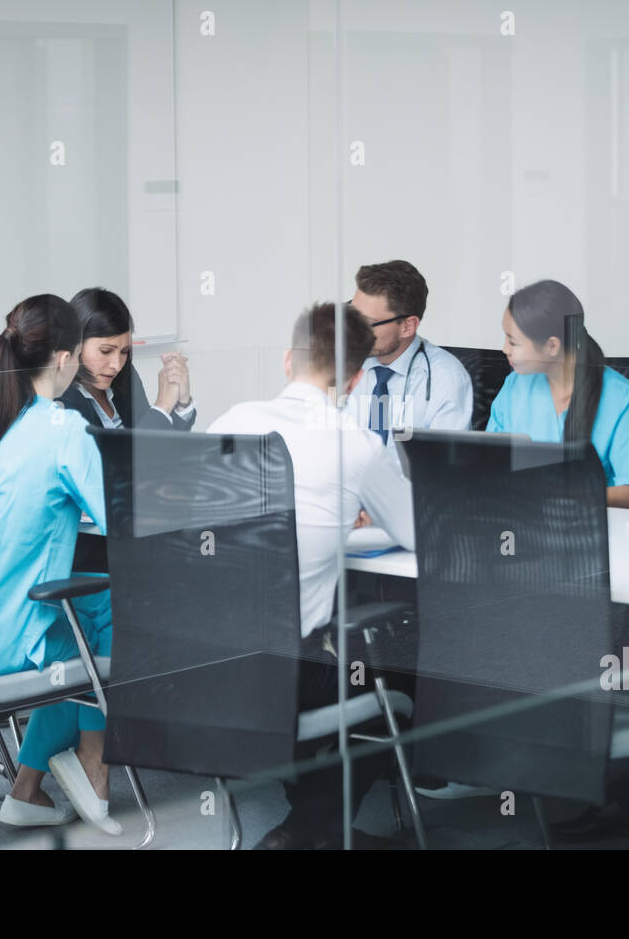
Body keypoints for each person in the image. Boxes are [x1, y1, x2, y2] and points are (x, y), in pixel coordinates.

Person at [208, 302, 415, 849]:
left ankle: (311, 823)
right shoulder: (356, 441)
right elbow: (420, 533)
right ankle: (315, 827)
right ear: (353, 379)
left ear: (286, 361)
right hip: (287, 678)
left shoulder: (228, 423)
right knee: (406, 662)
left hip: (204, 661)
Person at [0, 294, 122, 835]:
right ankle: (95, 759)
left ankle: (27, 788)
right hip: (20, 644)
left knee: (90, 607)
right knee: (119, 617)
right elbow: (122, 522)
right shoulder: (63, 429)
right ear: (68, 359)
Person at [486, 279, 629, 507]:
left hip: (591, 529)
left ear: (552, 346)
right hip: (523, 520)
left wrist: (565, 495)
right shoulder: (515, 386)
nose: (504, 349)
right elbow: (489, 462)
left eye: (513, 342)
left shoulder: (622, 400)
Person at [344, 260, 473, 454]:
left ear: (407, 327)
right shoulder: (341, 363)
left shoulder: (446, 380)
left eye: (367, 322)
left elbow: (446, 469)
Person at [57, 287, 196, 432]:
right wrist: (163, 405)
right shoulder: (59, 397)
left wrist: (182, 403)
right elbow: (126, 453)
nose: (117, 365)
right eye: (106, 351)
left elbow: (160, 442)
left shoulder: (125, 376)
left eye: (125, 351)